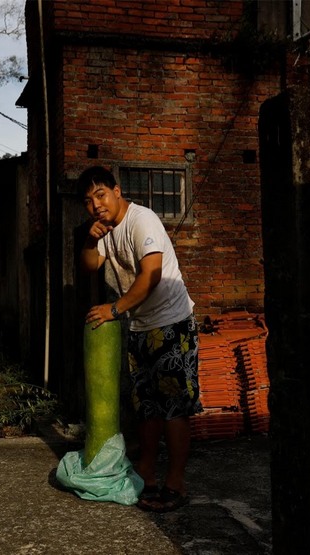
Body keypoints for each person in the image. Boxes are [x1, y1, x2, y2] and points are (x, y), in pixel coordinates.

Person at [76, 165, 202, 513]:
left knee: (174, 408)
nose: (96, 205)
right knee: (146, 407)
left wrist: (115, 310)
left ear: (117, 191)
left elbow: (151, 276)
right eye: (88, 201)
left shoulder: (141, 220)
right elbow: (89, 266)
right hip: (140, 327)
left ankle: (175, 483)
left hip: (172, 323)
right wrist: (90, 238)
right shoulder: (105, 232)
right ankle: (145, 473)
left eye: (101, 195)